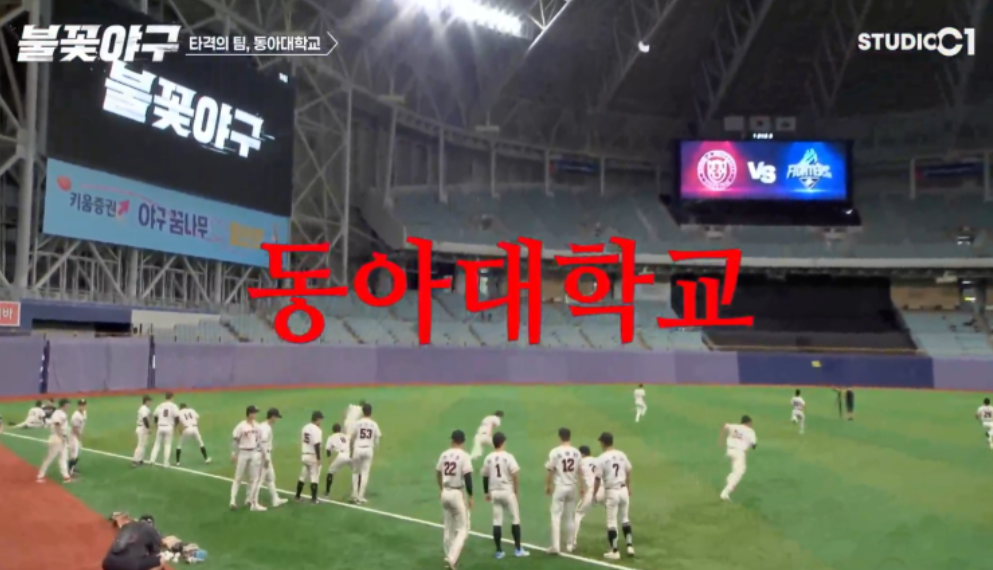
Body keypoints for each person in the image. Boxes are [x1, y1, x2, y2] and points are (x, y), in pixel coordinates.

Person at [481, 432, 529, 559]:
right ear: (502, 442)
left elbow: (485, 477)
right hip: (507, 491)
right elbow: (515, 474)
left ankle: (499, 551)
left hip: (494, 492)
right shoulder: (508, 457)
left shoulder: (488, 458)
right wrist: (516, 491)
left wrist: (486, 492)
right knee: (515, 519)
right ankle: (518, 549)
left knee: (497, 521)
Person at [592, 432, 634, 560]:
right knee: (625, 518)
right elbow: (628, 470)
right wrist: (628, 487)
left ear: (603, 443)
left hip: (611, 491)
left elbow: (597, 479)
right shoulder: (621, 454)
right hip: (623, 490)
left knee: (611, 522)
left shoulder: (601, 458)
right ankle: (629, 546)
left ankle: (615, 551)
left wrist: (594, 494)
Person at [436, 429, 473, 570]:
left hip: (445, 492)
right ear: (463, 441)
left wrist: (441, 488)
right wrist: (471, 496)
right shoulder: (464, 456)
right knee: (463, 528)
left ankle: (449, 557)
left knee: (448, 527)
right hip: (457, 493)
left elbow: (438, 472)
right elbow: (468, 478)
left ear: (452, 440)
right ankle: (452, 558)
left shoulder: (444, 454)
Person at [545, 427, 581, 554]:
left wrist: (548, 486)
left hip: (560, 486)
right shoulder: (577, 452)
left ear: (560, 437)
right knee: (570, 517)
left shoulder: (555, 452)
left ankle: (556, 547)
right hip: (572, 486)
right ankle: (570, 545)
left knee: (556, 516)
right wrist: (582, 487)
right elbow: (579, 471)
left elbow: (550, 470)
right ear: (569, 437)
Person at [250, 408, 287, 510]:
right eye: (276, 417)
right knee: (258, 480)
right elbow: (263, 443)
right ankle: (254, 504)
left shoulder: (262, 426)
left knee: (270, 478)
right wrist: (266, 457)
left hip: (263, 454)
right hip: (262, 455)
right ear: (272, 417)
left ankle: (275, 499)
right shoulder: (266, 428)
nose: (277, 420)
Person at [229, 405, 261, 509]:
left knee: (252, 478)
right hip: (243, 453)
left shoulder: (257, 426)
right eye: (254, 412)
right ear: (249, 413)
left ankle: (248, 499)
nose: (255, 414)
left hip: (253, 452)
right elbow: (235, 440)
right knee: (238, 477)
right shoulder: (241, 426)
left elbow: (258, 440)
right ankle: (232, 500)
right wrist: (233, 453)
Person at [572, 444, 604, 547]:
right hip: (606, 490)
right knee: (612, 515)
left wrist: (581, 488)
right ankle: (615, 546)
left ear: (582, 454)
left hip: (593, 490)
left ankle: (572, 541)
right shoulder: (598, 460)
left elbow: (576, 476)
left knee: (578, 513)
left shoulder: (580, 462)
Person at [719, 415, 757, 502]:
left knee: (735, 469)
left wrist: (721, 440)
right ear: (748, 423)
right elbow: (754, 445)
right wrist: (748, 445)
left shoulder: (734, 426)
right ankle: (725, 493)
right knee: (740, 471)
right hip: (739, 453)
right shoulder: (750, 431)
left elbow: (724, 425)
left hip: (730, 451)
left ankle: (730, 479)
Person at [350, 403, 381, 504]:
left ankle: (354, 495)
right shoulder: (374, 424)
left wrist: (351, 449)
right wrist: (376, 447)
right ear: (371, 412)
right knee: (365, 473)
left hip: (357, 448)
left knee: (355, 472)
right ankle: (361, 496)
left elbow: (352, 437)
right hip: (368, 449)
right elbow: (377, 438)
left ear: (362, 411)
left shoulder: (357, 423)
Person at [36, 398, 71, 484]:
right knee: (50, 458)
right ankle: (40, 475)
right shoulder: (58, 413)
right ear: (64, 405)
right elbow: (57, 425)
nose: (69, 406)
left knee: (63, 457)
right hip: (57, 438)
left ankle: (66, 477)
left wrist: (64, 438)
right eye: (68, 405)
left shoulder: (61, 413)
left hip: (61, 438)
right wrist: (61, 437)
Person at [296, 410, 323, 504]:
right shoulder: (317, 430)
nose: (321, 422)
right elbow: (317, 444)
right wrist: (319, 458)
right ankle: (314, 499)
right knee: (314, 476)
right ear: (318, 419)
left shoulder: (305, 427)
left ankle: (297, 496)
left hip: (304, 455)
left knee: (303, 475)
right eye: (320, 420)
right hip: (312, 455)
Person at [148, 393, 180, 467]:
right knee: (167, 445)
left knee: (157, 444)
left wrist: (156, 425)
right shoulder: (173, 406)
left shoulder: (160, 405)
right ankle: (165, 463)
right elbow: (177, 418)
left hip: (160, 426)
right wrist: (175, 427)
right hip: (169, 427)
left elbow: (155, 416)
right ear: (171, 398)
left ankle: (152, 460)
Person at [324, 423, 352, 496]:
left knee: (330, 472)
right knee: (357, 473)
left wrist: (329, 458)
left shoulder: (331, 437)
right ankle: (357, 491)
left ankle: (327, 492)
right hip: (350, 455)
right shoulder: (346, 436)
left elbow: (328, 449)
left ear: (333, 430)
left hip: (341, 456)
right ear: (340, 429)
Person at [68, 399, 87, 476]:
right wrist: (79, 437)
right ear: (78, 406)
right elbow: (74, 428)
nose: (82, 406)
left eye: (84, 405)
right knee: (74, 454)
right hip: (74, 436)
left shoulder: (84, 413)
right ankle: (70, 471)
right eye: (81, 405)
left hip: (78, 434)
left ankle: (73, 468)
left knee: (77, 454)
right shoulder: (76, 416)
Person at [133, 396, 153, 467]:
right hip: (142, 428)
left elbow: (149, 415)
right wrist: (148, 428)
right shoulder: (144, 409)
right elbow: (145, 419)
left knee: (144, 444)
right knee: (140, 445)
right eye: (150, 401)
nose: (151, 403)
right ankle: (135, 460)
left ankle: (140, 459)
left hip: (142, 428)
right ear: (146, 401)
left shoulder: (145, 409)